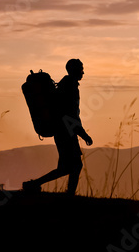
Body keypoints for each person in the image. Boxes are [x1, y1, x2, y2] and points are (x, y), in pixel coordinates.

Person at [23, 59, 93, 194]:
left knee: (68, 167)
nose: (83, 72)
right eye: (81, 69)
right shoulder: (69, 87)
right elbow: (69, 114)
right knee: (73, 166)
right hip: (65, 132)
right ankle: (38, 186)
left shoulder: (66, 85)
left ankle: (34, 185)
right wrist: (83, 134)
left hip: (63, 131)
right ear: (74, 70)